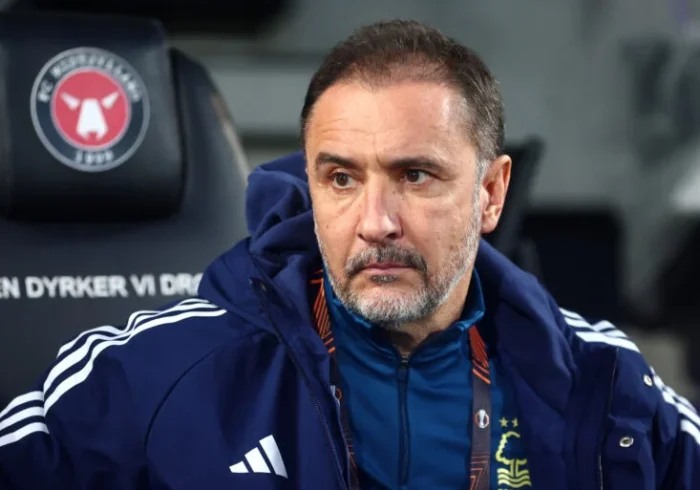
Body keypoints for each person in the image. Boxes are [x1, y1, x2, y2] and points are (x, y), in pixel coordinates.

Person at [1, 19, 698, 490]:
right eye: (341, 179)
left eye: (414, 176)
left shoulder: (605, 386)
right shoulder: (159, 374)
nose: (375, 223)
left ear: (490, 193)